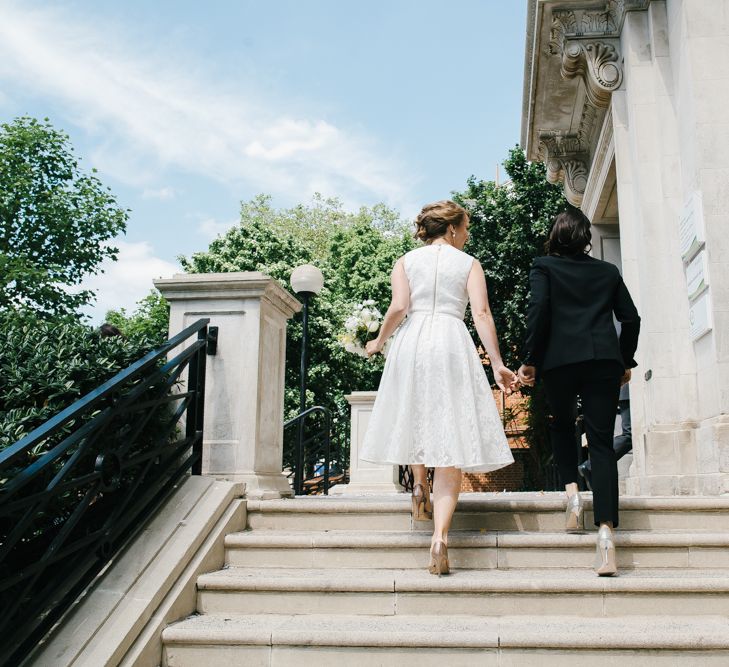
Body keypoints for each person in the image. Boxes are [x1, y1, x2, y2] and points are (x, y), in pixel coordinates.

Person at [359, 200, 516, 576]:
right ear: (450, 230)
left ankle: (417, 484)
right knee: (450, 432)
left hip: (412, 341)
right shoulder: (469, 264)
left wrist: (379, 341)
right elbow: (481, 314)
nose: (466, 235)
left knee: (414, 412)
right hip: (450, 340)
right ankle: (440, 538)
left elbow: (399, 306)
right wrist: (496, 363)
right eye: (464, 229)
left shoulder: (405, 261)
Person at [518, 207, 640, 577]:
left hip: (559, 363)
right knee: (602, 442)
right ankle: (605, 534)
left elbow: (538, 310)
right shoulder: (607, 271)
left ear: (555, 236)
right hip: (602, 360)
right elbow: (631, 318)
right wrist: (625, 361)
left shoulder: (544, 267)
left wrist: (530, 359)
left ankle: (572, 493)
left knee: (561, 424)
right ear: (586, 238)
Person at [578, 385, 632, 489]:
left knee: (629, 434)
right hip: (629, 393)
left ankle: (592, 465)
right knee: (630, 435)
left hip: (626, 393)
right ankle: (591, 465)